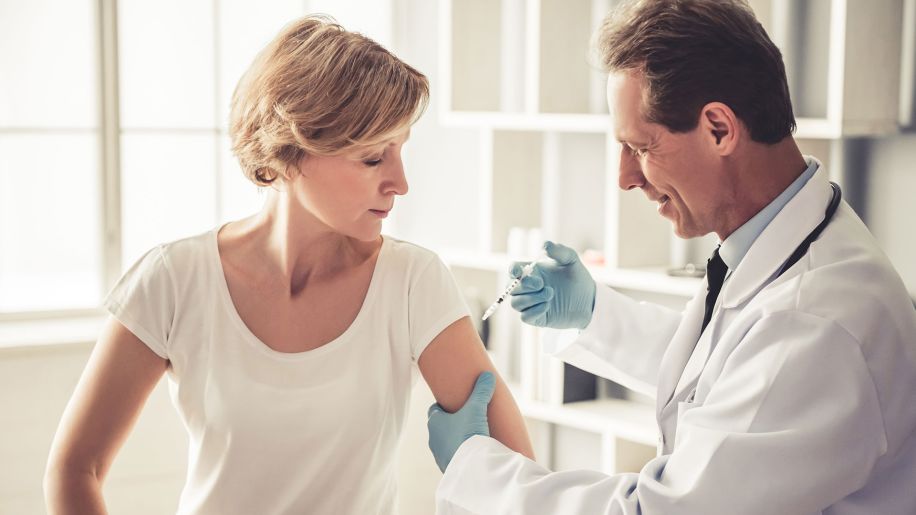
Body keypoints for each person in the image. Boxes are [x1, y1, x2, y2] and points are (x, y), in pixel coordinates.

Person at [427, 0, 916, 513]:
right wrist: (594, 314)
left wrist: (473, 467)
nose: (624, 177)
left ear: (719, 129)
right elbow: (728, 371)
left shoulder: (813, 324)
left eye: (640, 147)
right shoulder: (787, 248)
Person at [44, 15, 533, 515]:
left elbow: (515, 477)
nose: (400, 182)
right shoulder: (174, 278)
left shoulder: (412, 282)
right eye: (372, 159)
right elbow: (75, 468)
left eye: (400, 151)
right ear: (290, 151)